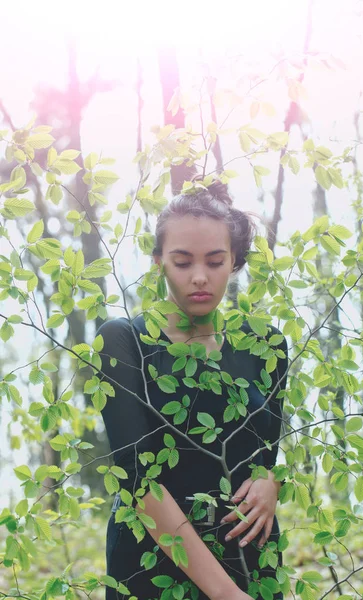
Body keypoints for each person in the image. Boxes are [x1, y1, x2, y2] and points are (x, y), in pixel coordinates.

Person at [97, 181, 288, 600]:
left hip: (250, 558)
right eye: (182, 262)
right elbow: (139, 482)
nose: (199, 277)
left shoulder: (266, 344)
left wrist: (271, 480)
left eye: (215, 261)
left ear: (234, 261)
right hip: (152, 565)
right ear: (158, 262)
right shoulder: (123, 342)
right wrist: (225, 594)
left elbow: (268, 451)